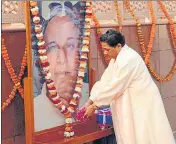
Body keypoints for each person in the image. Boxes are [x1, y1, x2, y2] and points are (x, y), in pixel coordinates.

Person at [82, 29, 175, 144]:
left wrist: (95, 105)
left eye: (107, 49)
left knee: (144, 133)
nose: (105, 53)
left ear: (118, 46)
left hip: (142, 102)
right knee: (131, 133)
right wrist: (90, 100)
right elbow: (106, 81)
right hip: (130, 102)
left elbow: (114, 87)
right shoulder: (116, 59)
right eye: (103, 49)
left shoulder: (128, 59)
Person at [33, 2, 89, 132]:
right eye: (52, 47)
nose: (62, 60)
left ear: (81, 54)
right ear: (42, 56)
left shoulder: (92, 98)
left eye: (70, 46)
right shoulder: (34, 111)